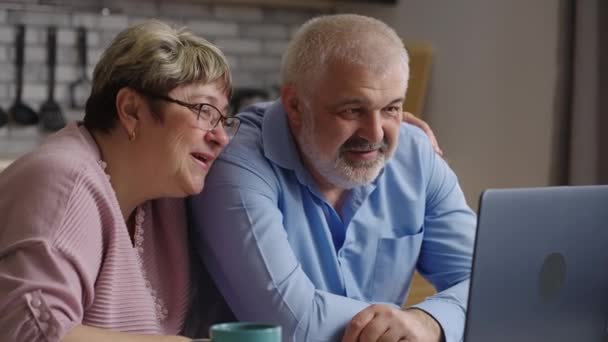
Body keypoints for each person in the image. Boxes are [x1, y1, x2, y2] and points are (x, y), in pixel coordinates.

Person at [190, 14, 475, 342]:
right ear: (295, 106)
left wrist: (428, 321)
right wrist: (404, 328)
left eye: (391, 108)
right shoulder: (236, 162)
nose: (376, 133)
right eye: (353, 111)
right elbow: (292, 323)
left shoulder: (416, 154)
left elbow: (488, 284)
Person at [0, 20, 238, 341]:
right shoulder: (62, 179)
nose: (220, 136)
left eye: (223, 118)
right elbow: (30, 332)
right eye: (204, 110)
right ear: (132, 110)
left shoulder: (162, 203)